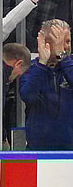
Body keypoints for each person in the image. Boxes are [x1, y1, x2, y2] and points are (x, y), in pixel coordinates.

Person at [20, 19, 73, 149]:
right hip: (39, 151)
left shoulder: (70, 65)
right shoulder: (32, 68)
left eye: (67, 41)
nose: (65, 47)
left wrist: (63, 57)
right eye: (59, 41)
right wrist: (42, 64)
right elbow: (28, 96)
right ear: (46, 44)